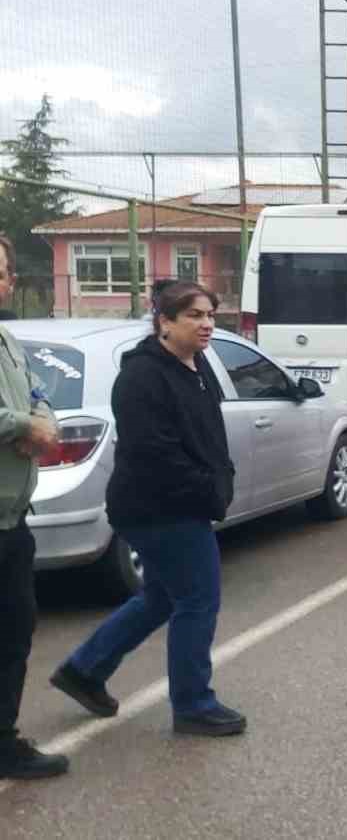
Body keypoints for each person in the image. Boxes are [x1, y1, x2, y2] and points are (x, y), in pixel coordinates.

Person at [53, 282, 247, 736]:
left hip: (182, 504)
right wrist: (207, 488)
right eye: (195, 316)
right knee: (198, 599)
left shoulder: (195, 365)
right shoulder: (142, 377)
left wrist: (222, 476)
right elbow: (154, 453)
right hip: (159, 509)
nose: (206, 324)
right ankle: (194, 704)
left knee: (162, 597)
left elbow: (206, 434)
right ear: (165, 321)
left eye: (210, 315)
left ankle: (84, 670)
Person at [0, 235, 66, 779]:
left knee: (15, 632)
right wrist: (23, 425)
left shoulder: (8, 340)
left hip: (12, 522)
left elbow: (40, 394)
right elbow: (17, 416)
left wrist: (42, 419)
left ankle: (4, 740)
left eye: (1, 271)